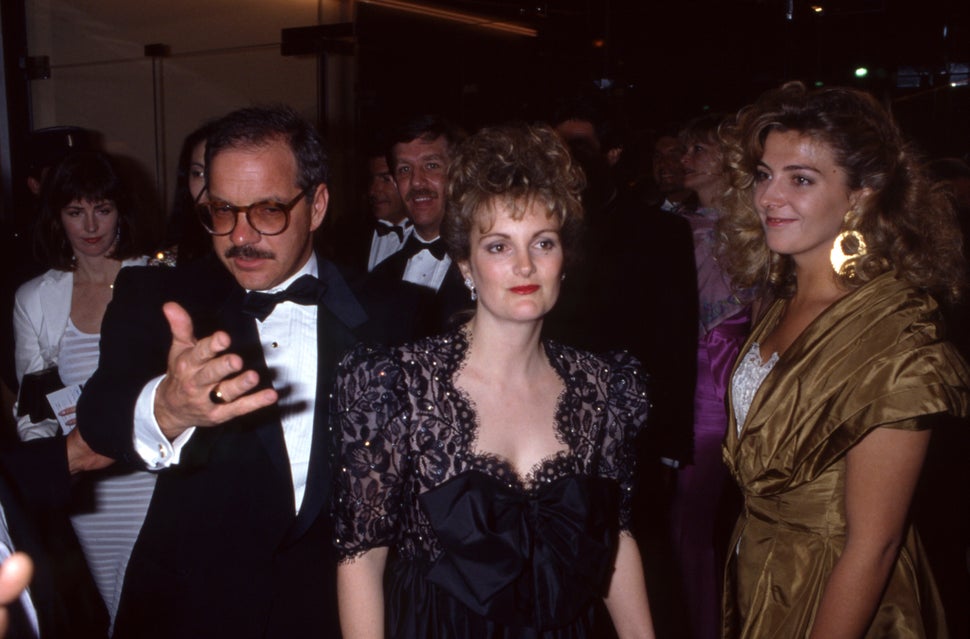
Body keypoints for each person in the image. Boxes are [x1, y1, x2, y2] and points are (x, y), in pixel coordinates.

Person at [75, 105, 388, 638]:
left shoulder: (393, 311)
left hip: (337, 614)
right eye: (221, 211)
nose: (239, 236)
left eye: (267, 210)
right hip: (194, 610)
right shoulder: (158, 296)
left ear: (317, 205)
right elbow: (102, 415)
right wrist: (167, 408)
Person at [333, 123, 655, 638]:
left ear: (564, 258)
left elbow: (615, 539)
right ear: (465, 262)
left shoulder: (605, 388)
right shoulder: (396, 386)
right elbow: (362, 559)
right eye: (499, 246)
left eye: (542, 243)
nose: (525, 264)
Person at [718, 81, 970, 639]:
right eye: (764, 174)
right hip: (763, 572)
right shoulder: (782, 296)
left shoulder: (895, 332)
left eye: (800, 179)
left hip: (837, 593)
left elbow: (874, 544)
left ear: (862, 193)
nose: (768, 197)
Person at [12, 150, 157, 631]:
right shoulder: (36, 298)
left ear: (122, 211)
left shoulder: (160, 279)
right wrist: (57, 467)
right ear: (58, 218)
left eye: (103, 208)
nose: (91, 225)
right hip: (91, 493)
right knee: (116, 610)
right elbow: (32, 414)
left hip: (158, 478)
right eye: (76, 211)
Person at [670, 113, 751, 639]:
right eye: (685, 149)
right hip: (677, 389)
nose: (685, 160)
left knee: (691, 526)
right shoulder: (672, 225)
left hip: (716, 396)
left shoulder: (751, 234)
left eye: (699, 149)